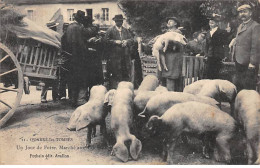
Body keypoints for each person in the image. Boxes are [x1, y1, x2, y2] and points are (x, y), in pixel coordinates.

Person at [62, 10, 97, 106]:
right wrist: (94, 26)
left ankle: (72, 100)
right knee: (82, 78)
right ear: (81, 19)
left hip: (70, 57)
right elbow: (90, 32)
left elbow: (63, 40)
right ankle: (81, 100)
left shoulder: (69, 27)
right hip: (80, 57)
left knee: (73, 79)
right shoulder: (79, 27)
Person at [232, 4, 260, 91]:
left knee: (248, 88)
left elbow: (256, 46)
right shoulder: (240, 26)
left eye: (245, 12)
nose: (242, 14)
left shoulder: (255, 26)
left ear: (250, 13)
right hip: (238, 61)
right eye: (240, 12)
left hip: (248, 64)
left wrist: (252, 62)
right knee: (238, 87)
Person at [105, 14, 134, 89]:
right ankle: (115, 89)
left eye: (121, 21)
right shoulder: (110, 30)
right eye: (118, 21)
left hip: (125, 56)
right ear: (115, 21)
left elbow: (131, 40)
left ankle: (124, 89)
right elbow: (105, 41)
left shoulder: (125, 30)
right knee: (115, 73)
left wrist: (126, 41)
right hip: (114, 57)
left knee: (125, 72)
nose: (119, 22)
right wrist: (115, 42)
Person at [159, 16, 185, 91]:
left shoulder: (177, 33)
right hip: (166, 58)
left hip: (173, 59)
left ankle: (171, 97)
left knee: (171, 78)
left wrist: (169, 42)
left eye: (171, 21)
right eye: (168, 21)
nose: (168, 22)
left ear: (175, 23)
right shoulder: (167, 33)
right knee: (165, 79)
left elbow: (179, 45)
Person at [204, 15, 231, 79]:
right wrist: (206, 54)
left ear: (216, 23)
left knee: (216, 72)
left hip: (218, 55)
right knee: (209, 72)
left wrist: (225, 55)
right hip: (210, 55)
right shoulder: (208, 32)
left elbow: (225, 43)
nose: (210, 24)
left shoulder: (222, 32)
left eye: (212, 23)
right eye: (209, 23)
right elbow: (206, 45)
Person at [41, 20, 60, 103]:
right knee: (49, 80)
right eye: (55, 27)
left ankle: (51, 96)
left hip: (47, 60)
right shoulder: (52, 36)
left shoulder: (46, 35)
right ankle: (47, 96)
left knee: (52, 80)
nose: (56, 28)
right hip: (49, 61)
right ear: (53, 28)